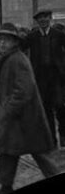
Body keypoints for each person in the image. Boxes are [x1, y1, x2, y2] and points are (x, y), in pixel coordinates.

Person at [0, 22, 59, 194]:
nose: (1, 43)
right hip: (16, 118)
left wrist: (7, 109)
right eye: (0, 40)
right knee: (8, 151)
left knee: (40, 154)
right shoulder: (9, 58)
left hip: (26, 118)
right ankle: (5, 187)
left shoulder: (18, 60)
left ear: (14, 42)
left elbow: (24, 90)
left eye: (5, 40)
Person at [24, 9, 65, 147]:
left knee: (60, 106)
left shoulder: (58, 34)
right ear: (37, 21)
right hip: (40, 78)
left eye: (45, 18)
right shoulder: (32, 36)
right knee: (46, 108)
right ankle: (51, 139)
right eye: (40, 19)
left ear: (50, 19)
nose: (43, 20)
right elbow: (20, 47)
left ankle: (63, 134)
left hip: (57, 77)